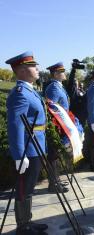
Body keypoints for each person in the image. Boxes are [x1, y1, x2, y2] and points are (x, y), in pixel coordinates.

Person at [6, 51, 48, 235]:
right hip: (28, 150)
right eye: (33, 66)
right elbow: (15, 125)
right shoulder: (20, 93)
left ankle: (27, 221)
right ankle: (22, 228)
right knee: (24, 189)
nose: (37, 69)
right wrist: (18, 155)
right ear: (22, 70)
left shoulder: (29, 90)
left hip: (36, 144)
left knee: (29, 187)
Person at [45, 62, 69, 193]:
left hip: (61, 124)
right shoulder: (54, 88)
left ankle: (56, 181)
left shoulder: (58, 86)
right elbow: (51, 108)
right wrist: (55, 126)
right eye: (62, 71)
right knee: (53, 155)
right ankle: (53, 184)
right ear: (55, 74)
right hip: (56, 126)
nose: (64, 73)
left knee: (56, 154)